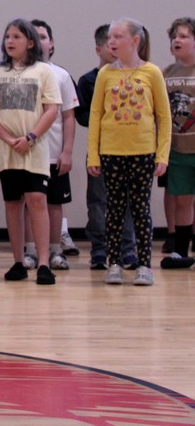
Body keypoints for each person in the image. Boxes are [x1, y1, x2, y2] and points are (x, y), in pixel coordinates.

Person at [87, 18, 170, 286]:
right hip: (111, 152)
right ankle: (114, 263)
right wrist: (93, 155)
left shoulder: (152, 73)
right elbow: (96, 115)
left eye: (118, 36)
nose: (111, 42)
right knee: (114, 208)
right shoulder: (105, 74)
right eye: (110, 37)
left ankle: (144, 264)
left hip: (143, 152)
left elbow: (163, 116)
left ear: (135, 41)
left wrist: (162, 155)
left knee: (140, 208)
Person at [0, 19, 60, 285]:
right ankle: (18, 261)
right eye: (7, 36)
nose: (10, 41)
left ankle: (43, 262)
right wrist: (8, 138)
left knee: (37, 200)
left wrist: (30, 137)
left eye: (16, 36)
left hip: (34, 149)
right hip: (7, 150)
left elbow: (51, 109)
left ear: (30, 42)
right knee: (12, 204)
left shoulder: (44, 71)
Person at [77, 24, 137, 269]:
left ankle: (127, 249)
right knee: (99, 201)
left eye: (117, 41)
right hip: (101, 149)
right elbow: (81, 116)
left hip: (129, 148)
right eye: (108, 43)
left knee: (128, 201)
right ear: (98, 49)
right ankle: (100, 250)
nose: (113, 48)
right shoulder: (89, 80)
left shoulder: (134, 76)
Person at [29, 20, 79, 271]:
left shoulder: (61, 75)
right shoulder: (20, 75)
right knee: (30, 202)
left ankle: (56, 250)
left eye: (43, 36)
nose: (39, 41)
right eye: (34, 36)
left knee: (54, 203)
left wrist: (67, 151)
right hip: (28, 154)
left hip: (54, 153)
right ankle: (31, 251)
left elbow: (69, 116)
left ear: (52, 43)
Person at [160, 17, 195, 269]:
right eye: (175, 36)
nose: (177, 40)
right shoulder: (165, 74)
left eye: (184, 36)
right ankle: (180, 251)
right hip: (177, 150)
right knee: (182, 201)